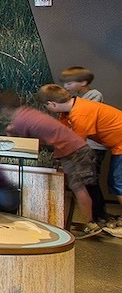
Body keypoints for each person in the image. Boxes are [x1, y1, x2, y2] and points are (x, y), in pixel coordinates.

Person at [0, 90, 96, 234]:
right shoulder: (27, 113)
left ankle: (91, 224)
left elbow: (22, 145)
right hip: (72, 150)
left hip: (75, 152)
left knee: (79, 188)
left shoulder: (20, 120)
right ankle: (90, 222)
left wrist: (10, 132)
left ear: (5, 109)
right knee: (78, 188)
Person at [37, 84, 122, 234]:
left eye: (46, 106)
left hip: (120, 145)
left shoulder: (80, 113)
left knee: (118, 182)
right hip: (117, 146)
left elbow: (76, 144)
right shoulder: (69, 111)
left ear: (52, 104)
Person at [58, 66, 113, 224]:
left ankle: (99, 216)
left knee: (90, 182)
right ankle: (96, 217)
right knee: (87, 182)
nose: (66, 87)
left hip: (92, 146)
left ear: (83, 82)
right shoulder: (77, 99)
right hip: (84, 146)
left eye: (69, 83)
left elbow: (84, 117)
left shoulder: (93, 96)